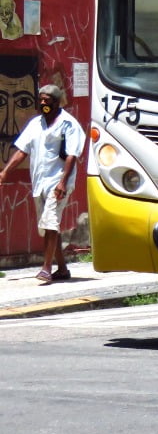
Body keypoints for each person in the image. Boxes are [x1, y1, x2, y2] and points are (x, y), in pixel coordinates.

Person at [0, 84, 86, 284]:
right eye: (41, 100)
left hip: (59, 181)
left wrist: (63, 183)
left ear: (57, 102)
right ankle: (62, 269)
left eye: (47, 100)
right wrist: (5, 172)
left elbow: (72, 155)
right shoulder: (35, 124)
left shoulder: (68, 124)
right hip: (40, 182)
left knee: (49, 222)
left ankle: (46, 269)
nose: (43, 103)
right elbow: (22, 150)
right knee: (48, 225)